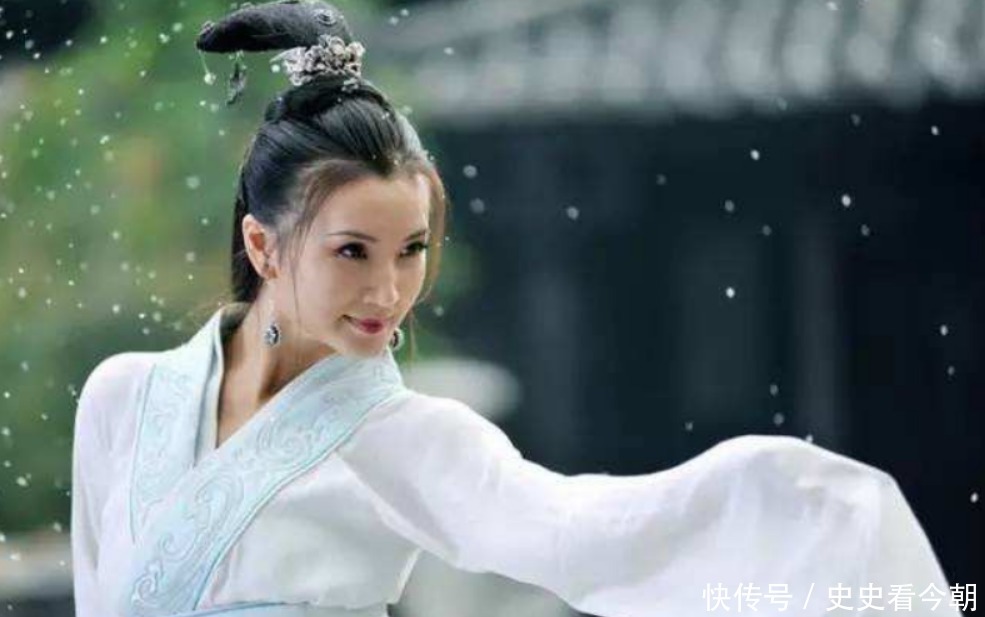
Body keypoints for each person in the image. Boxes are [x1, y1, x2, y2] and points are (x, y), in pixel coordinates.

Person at [70, 2, 962, 616]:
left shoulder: (405, 435)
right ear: (264, 246)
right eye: (352, 251)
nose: (389, 291)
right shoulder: (123, 396)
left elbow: (585, 532)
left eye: (411, 250)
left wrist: (792, 500)